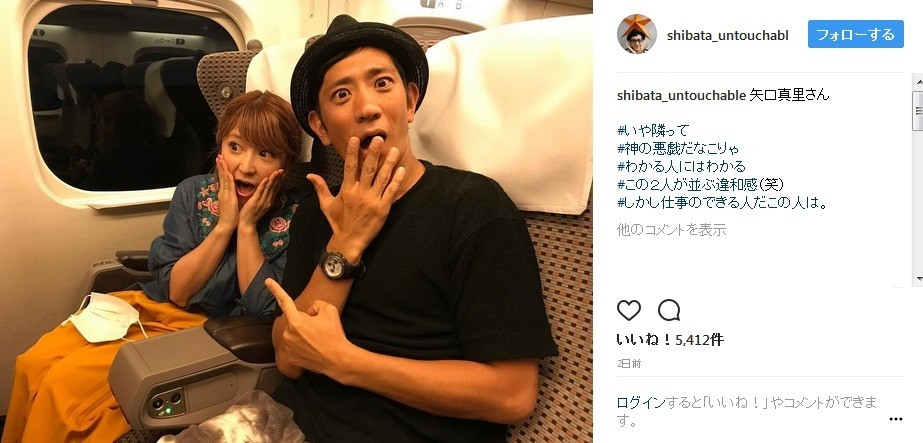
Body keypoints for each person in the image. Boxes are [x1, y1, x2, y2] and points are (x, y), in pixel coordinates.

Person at [267, 14, 558, 442]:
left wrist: (348, 363)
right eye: (342, 94)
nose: (367, 107)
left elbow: (512, 395)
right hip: (289, 423)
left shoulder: (472, 206)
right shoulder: (318, 208)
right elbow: (289, 358)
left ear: (410, 102)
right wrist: (347, 243)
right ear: (320, 127)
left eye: (382, 83)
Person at [1, 90, 305, 442]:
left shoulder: (298, 216)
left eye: (265, 153)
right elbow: (178, 291)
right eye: (235, 147)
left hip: (210, 332)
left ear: (286, 163)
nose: (246, 166)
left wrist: (248, 226)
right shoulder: (194, 192)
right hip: (157, 308)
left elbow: (261, 309)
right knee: (32, 363)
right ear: (220, 148)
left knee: (63, 388)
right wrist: (225, 226)